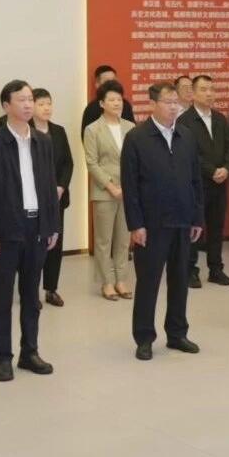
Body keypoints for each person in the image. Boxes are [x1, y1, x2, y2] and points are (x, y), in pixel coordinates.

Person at [0, 81, 60, 382]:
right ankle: (3, 357)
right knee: (2, 298)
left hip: (36, 228)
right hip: (5, 231)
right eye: (21, 100)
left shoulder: (43, 141)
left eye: (30, 99)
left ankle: (30, 352)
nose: (28, 104)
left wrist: (52, 225)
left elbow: (49, 187)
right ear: (6, 106)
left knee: (31, 296)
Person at [121, 81, 205, 361]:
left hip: (183, 221)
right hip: (151, 225)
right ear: (153, 104)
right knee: (148, 283)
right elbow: (130, 186)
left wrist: (197, 217)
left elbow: (195, 180)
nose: (173, 107)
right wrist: (136, 225)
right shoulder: (137, 137)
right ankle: (144, 338)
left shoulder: (186, 135)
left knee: (180, 280)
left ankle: (177, 334)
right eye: (168, 102)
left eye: (176, 102)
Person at [82, 80, 136, 301]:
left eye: (119, 99)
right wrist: (111, 186)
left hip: (128, 191)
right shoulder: (92, 129)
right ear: (102, 103)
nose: (117, 103)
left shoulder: (130, 127)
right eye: (111, 100)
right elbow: (91, 163)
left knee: (124, 239)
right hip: (105, 191)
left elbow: (136, 160)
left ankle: (121, 280)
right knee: (104, 241)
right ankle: (107, 282)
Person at [178, 75, 229, 288]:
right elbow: (188, 154)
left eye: (212, 89)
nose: (209, 93)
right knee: (195, 227)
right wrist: (212, 170)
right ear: (193, 93)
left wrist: (226, 167)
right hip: (197, 184)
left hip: (220, 182)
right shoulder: (185, 121)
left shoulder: (220, 119)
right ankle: (191, 270)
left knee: (216, 227)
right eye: (203, 89)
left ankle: (216, 269)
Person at [31, 88, 73, 308]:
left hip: (56, 199)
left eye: (49, 103)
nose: (46, 108)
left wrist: (61, 186)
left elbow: (68, 163)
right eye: (41, 104)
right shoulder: (26, 131)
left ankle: (51, 289)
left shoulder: (58, 131)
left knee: (55, 245)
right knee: (33, 245)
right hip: (32, 199)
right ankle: (31, 291)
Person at [80, 64, 135, 134]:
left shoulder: (125, 105)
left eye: (113, 81)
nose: (111, 84)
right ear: (97, 84)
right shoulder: (91, 109)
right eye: (107, 81)